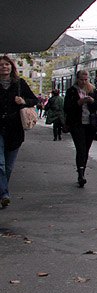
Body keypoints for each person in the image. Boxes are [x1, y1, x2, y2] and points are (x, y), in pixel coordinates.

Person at [0, 55, 38, 208]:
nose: (4, 67)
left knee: (8, 166)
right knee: (0, 164)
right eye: (1, 65)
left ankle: (3, 191)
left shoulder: (20, 83)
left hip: (14, 129)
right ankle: (4, 194)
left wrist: (23, 101)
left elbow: (34, 100)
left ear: (11, 67)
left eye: (7, 65)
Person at [64, 70, 97, 188]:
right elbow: (67, 108)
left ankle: (82, 170)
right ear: (77, 79)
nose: (84, 82)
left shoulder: (92, 90)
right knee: (80, 148)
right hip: (77, 124)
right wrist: (79, 103)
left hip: (90, 124)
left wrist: (92, 101)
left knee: (86, 149)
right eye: (82, 79)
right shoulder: (71, 91)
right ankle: (81, 175)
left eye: (86, 79)